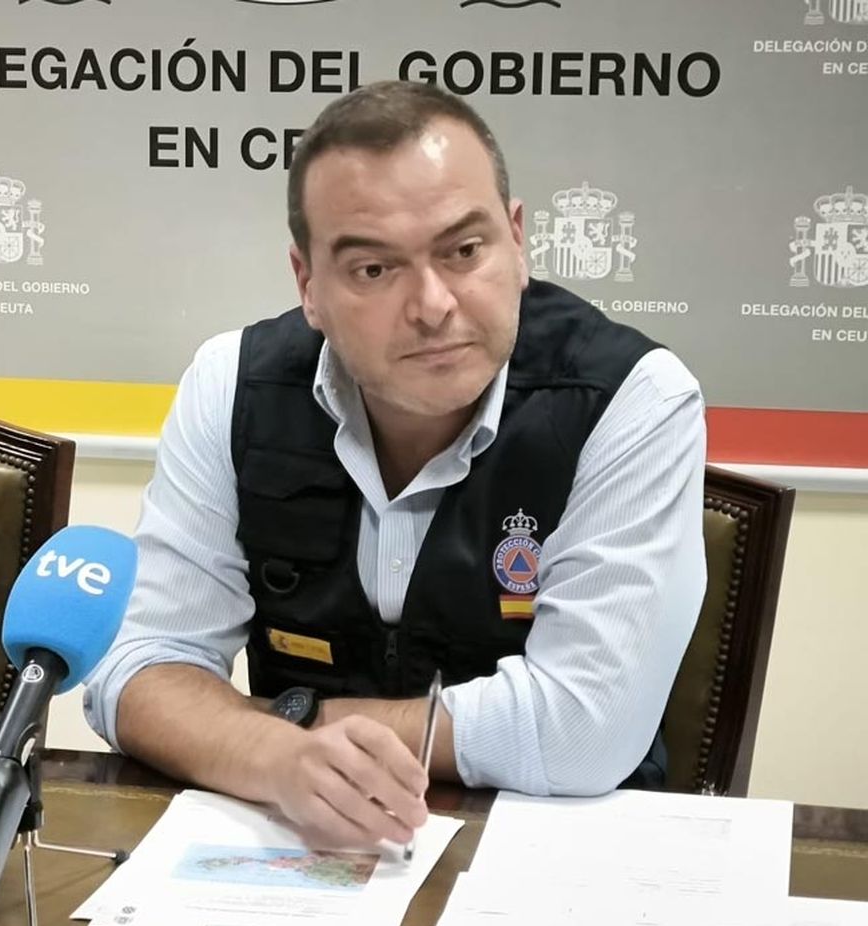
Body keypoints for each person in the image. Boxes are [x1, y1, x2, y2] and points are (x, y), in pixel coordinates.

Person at [82, 81, 706, 849]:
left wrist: (301, 729)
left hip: (554, 862)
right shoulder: (232, 383)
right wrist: (280, 759)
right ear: (309, 285)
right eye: (375, 270)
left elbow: (584, 728)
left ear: (518, 241)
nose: (434, 304)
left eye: (465, 250)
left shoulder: (631, 399)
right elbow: (138, 669)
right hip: (305, 855)